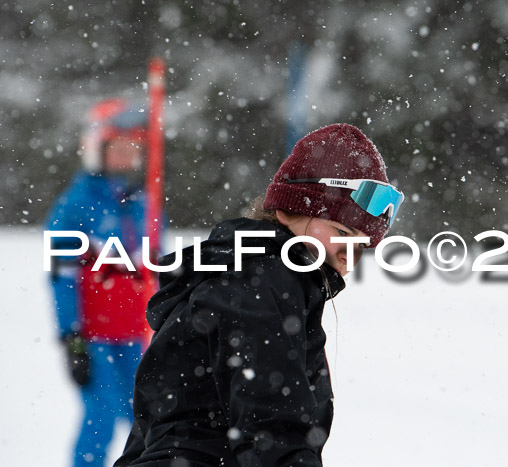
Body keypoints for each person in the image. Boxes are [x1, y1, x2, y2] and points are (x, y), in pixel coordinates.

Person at [115, 123, 404, 466]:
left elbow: (152, 430)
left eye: (363, 243)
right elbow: (272, 429)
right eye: (342, 231)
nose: (350, 254)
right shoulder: (262, 279)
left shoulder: (239, 273)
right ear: (287, 211)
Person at [46, 98, 156, 466]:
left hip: (135, 334)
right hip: (93, 336)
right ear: (97, 149)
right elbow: (61, 274)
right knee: (102, 417)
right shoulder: (75, 205)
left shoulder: (146, 204)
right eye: (117, 149)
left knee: (150, 418)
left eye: (132, 149)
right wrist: (71, 336)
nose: (125, 157)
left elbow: (157, 267)